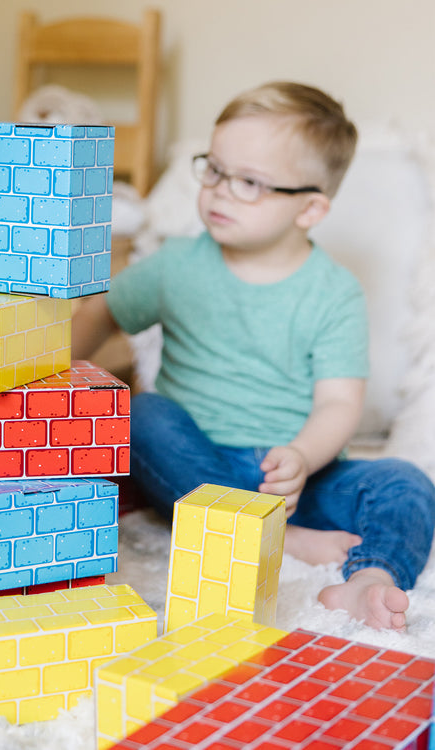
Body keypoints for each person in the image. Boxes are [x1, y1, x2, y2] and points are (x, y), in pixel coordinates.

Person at [72, 81, 435, 631]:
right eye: (212, 169)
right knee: (142, 415)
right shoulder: (177, 265)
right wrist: (32, 375)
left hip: (290, 475)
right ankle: (275, 539)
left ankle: (371, 576)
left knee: (405, 481)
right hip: (195, 465)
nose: (218, 190)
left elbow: (339, 401)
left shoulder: (332, 291)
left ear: (310, 208)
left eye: (247, 182)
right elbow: (104, 312)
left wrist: (303, 458)